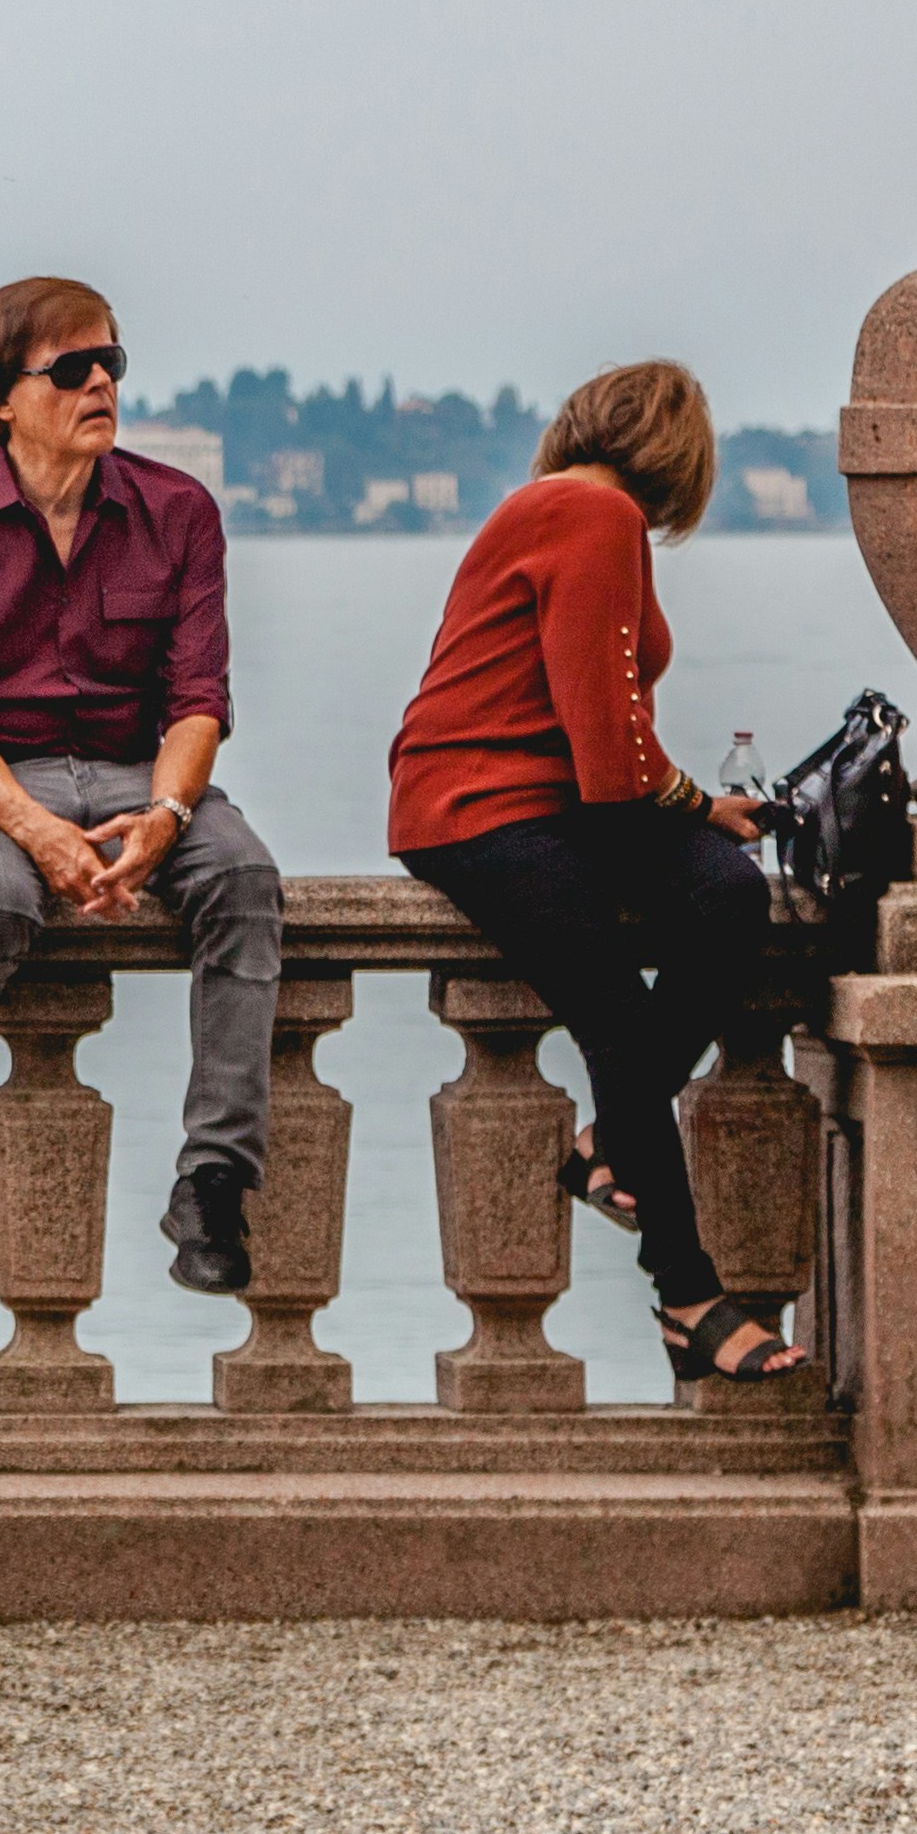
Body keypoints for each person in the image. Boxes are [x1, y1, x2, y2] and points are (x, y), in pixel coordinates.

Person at [0, 276, 279, 1296]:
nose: (102, 384)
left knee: (245, 880)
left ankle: (213, 1176)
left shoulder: (179, 512)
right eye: (72, 369)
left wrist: (171, 817)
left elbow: (199, 701)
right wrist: (38, 831)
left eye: (112, 364)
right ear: (3, 396)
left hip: (141, 772)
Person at [385, 359, 803, 1385]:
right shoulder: (593, 517)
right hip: (478, 804)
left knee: (727, 893)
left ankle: (602, 1147)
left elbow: (603, 743)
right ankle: (688, 1296)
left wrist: (706, 818)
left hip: (552, 797)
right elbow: (609, 742)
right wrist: (701, 804)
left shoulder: (565, 506)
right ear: (682, 456)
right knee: (613, 1011)